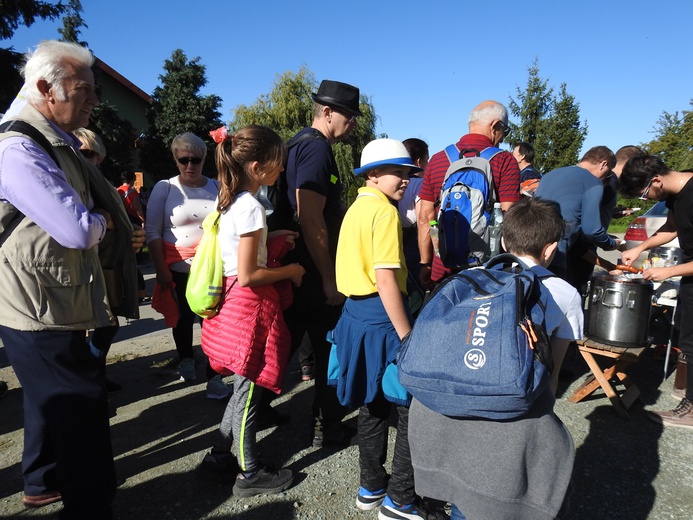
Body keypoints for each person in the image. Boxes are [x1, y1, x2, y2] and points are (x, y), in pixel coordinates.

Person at [0, 40, 144, 518]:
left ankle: (42, 483)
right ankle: (90, 508)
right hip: (37, 308)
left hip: (45, 301)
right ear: (45, 89)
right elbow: (77, 229)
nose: (96, 102)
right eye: (85, 91)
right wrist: (105, 219)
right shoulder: (18, 146)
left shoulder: (45, 138)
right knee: (81, 411)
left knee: (50, 402)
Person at [409, 197, 583, 520]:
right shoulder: (565, 294)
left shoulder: (470, 280)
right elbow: (552, 375)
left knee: (463, 504)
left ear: (503, 241)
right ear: (550, 249)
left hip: (452, 429)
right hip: (514, 434)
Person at [331, 138, 436, 519]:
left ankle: (371, 487)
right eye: (398, 172)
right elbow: (387, 279)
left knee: (372, 402)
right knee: (410, 407)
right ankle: (401, 500)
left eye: (409, 173)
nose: (406, 180)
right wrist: (407, 336)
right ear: (372, 174)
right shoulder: (386, 214)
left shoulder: (358, 207)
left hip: (355, 316)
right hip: (383, 319)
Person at [197, 125, 304, 496]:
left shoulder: (227, 202)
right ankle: (250, 473)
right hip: (249, 311)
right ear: (257, 167)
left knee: (242, 388)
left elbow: (233, 255)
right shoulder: (251, 207)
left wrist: (271, 238)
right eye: (278, 164)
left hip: (230, 307)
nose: (281, 170)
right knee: (249, 393)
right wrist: (291, 271)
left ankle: (218, 456)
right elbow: (249, 275)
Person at [281, 79, 361, 447]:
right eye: (349, 115)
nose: (354, 123)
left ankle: (255, 412)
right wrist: (330, 280)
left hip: (298, 267)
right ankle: (325, 426)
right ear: (326, 112)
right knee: (330, 346)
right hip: (313, 271)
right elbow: (310, 217)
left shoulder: (297, 143)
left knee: (287, 344)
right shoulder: (316, 150)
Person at [145, 132, 232, 400]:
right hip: (178, 269)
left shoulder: (217, 186)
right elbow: (153, 231)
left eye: (196, 159)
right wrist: (161, 270)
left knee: (212, 322)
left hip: (211, 270)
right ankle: (185, 357)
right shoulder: (166, 188)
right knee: (182, 319)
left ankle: (214, 374)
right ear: (176, 159)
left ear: (205, 158)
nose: (190, 165)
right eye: (184, 159)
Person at [620, 155, 693, 428]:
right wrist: (640, 248)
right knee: (687, 339)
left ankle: (691, 410)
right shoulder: (675, 196)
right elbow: (671, 228)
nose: (646, 200)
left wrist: (668, 272)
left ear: (657, 181)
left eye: (644, 194)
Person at [418, 100, 521, 287]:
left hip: (444, 267)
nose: (503, 138)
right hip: (488, 269)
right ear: (495, 125)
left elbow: (425, 217)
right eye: (504, 131)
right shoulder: (504, 161)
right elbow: (509, 217)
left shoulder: (438, 159)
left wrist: (426, 263)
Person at [74, 128, 141, 394]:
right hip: (84, 268)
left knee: (109, 324)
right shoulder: (71, 181)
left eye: (92, 154)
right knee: (90, 329)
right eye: (83, 153)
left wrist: (132, 232)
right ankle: (91, 380)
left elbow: (119, 217)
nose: (88, 159)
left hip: (109, 264)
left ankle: (96, 374)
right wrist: (109, 221)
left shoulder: (96, 181)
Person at [534, 146, 620, 285]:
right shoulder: (593, 182)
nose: (606, 178)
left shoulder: (551, 174)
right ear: (604, 164)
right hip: (555, 254)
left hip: (530, 249)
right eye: (608, 173)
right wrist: (611, 244)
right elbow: (592, 230)